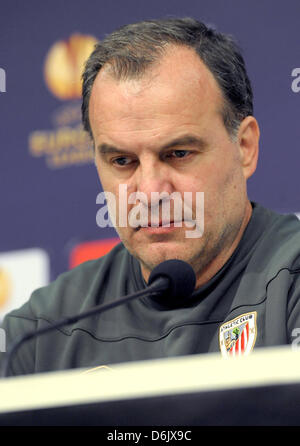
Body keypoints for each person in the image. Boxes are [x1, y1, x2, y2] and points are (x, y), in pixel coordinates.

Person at [1, 17, 300, 376]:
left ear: (245, 147)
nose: (150, 192)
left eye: (178, 153)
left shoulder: (291, 281)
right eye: (123, 161)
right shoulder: (41, 333)